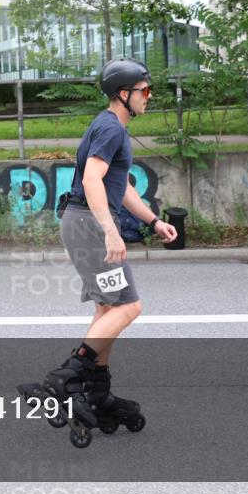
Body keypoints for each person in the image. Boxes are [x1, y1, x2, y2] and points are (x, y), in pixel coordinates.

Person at [44, 58, 177, 429]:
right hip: (89, 224)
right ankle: (66, 375)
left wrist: (153, 221)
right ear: (124, 94)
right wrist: (110, 230)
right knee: (130, 307)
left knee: (108, 310)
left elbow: (124, 187)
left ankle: (98, 392)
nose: (148, 97)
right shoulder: (112, 129)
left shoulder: (110, 126)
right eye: (144, 91)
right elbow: (92, 179)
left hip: (83, 222)